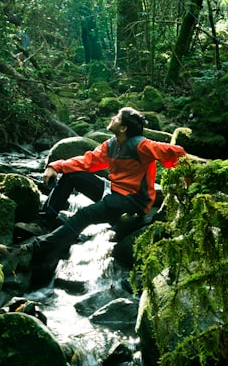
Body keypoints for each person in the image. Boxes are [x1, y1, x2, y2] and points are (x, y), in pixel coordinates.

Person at [15, 107, 187, 278]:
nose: (113, 118)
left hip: (132, 203)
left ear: (123, 128)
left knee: (85, 214)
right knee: (71, 175)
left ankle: (34, 248)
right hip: (112, 191)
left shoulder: (142, 145)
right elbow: (88, 161)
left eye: (118, 117)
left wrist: (187, 182)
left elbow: (177, 153)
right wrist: (55, 166)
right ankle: (43, 222)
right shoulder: (112, 144)